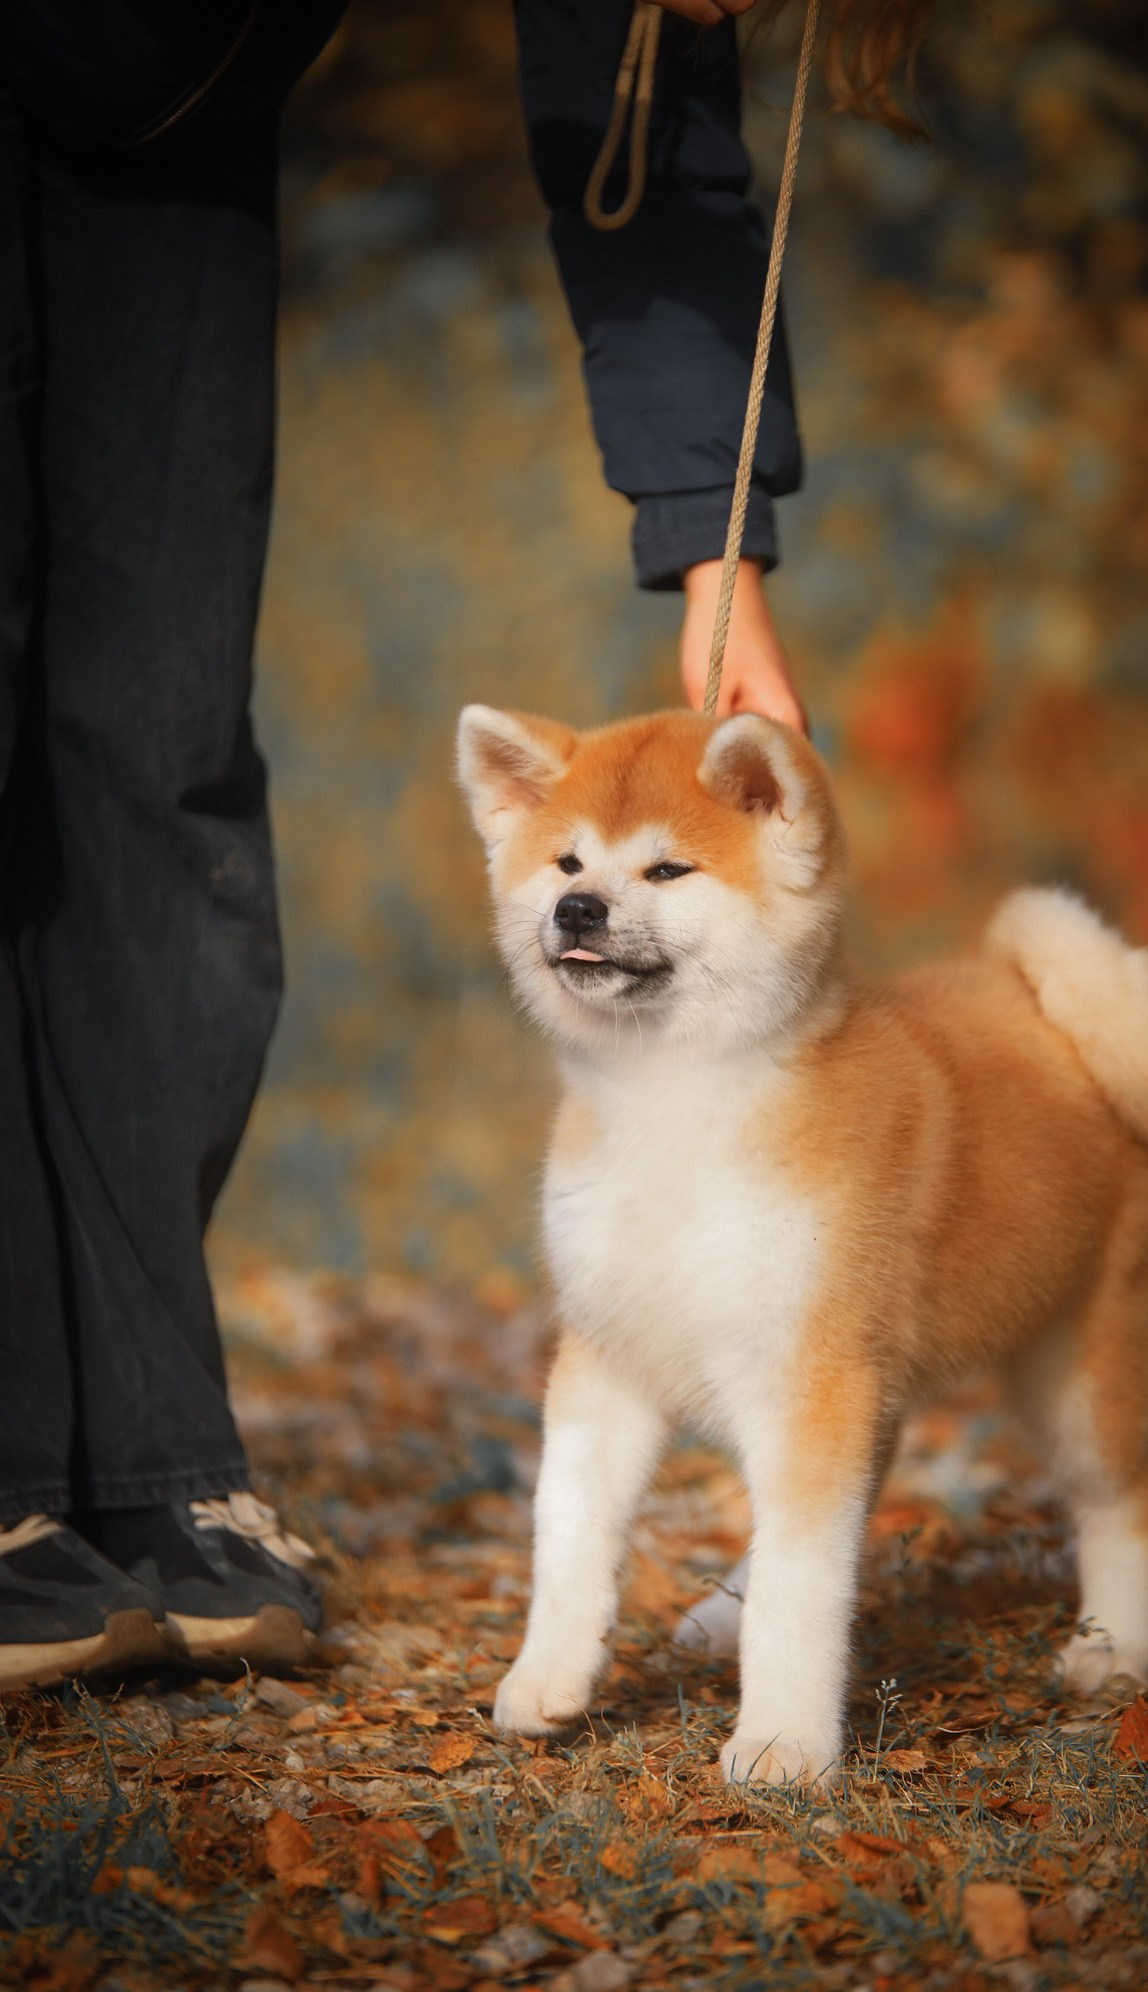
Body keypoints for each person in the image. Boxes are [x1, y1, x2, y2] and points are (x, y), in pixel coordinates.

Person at [0, 0, 911, 1690]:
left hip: (169, 147)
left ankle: (144, 1465)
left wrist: (718, 553)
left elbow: (645, 126)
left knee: (163, 760)